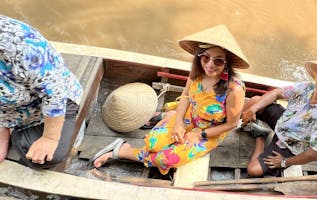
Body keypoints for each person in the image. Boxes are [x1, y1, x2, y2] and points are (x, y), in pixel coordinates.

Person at [90, 25, 249, 174]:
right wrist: (179, 122)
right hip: (187, 116)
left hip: (209, 131)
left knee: (166, 158)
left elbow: (231, 124)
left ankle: (123, 151)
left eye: (218, 61)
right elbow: (186, 96)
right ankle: (171, 116)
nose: (210, 64)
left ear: (227, 64)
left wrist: (199, 135)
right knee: (153, 144)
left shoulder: (234, 89)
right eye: (205, 57)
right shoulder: (198, 73)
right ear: (199, 57)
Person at [241, 60, 317, 178]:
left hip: (290, 145)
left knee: (253, 170)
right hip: (283, 122)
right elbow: (276, 93)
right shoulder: (307, 87)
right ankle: (231, 122)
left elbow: (313, 155)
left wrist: (284, 162)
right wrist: (253, 109)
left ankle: (261, 137)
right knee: (255, 101)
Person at [0, 15, 83, 169]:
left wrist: (49, 138)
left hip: (45, 106)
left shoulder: (18, 43)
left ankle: (21, 133)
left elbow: (54, 93)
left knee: (46, 156)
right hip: (6, 110)